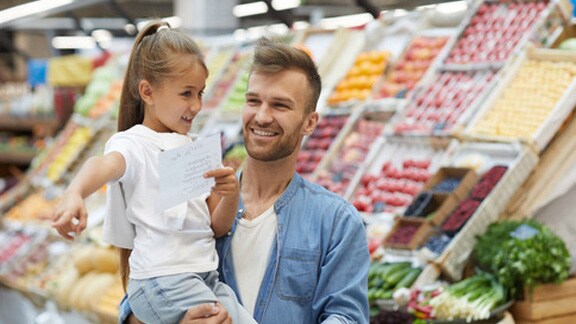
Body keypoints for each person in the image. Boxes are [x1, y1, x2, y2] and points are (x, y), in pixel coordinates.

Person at [121, 37, 370, 324]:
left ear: (309, 122)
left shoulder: (335, 221)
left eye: (280, 105)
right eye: (253, 101)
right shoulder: (196, 198)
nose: (262, 117)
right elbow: (140, 297)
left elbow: (347, 316)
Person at [51, 20, 255, 324]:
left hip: (203, 277)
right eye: (186, 93)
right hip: (162, 280)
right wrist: (74, 193)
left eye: (200, 93)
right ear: (147, 91)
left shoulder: (194, 148)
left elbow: (216, 227)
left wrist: (229, 194)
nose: (197, 105)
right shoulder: (133, 144)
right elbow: (102, 164)